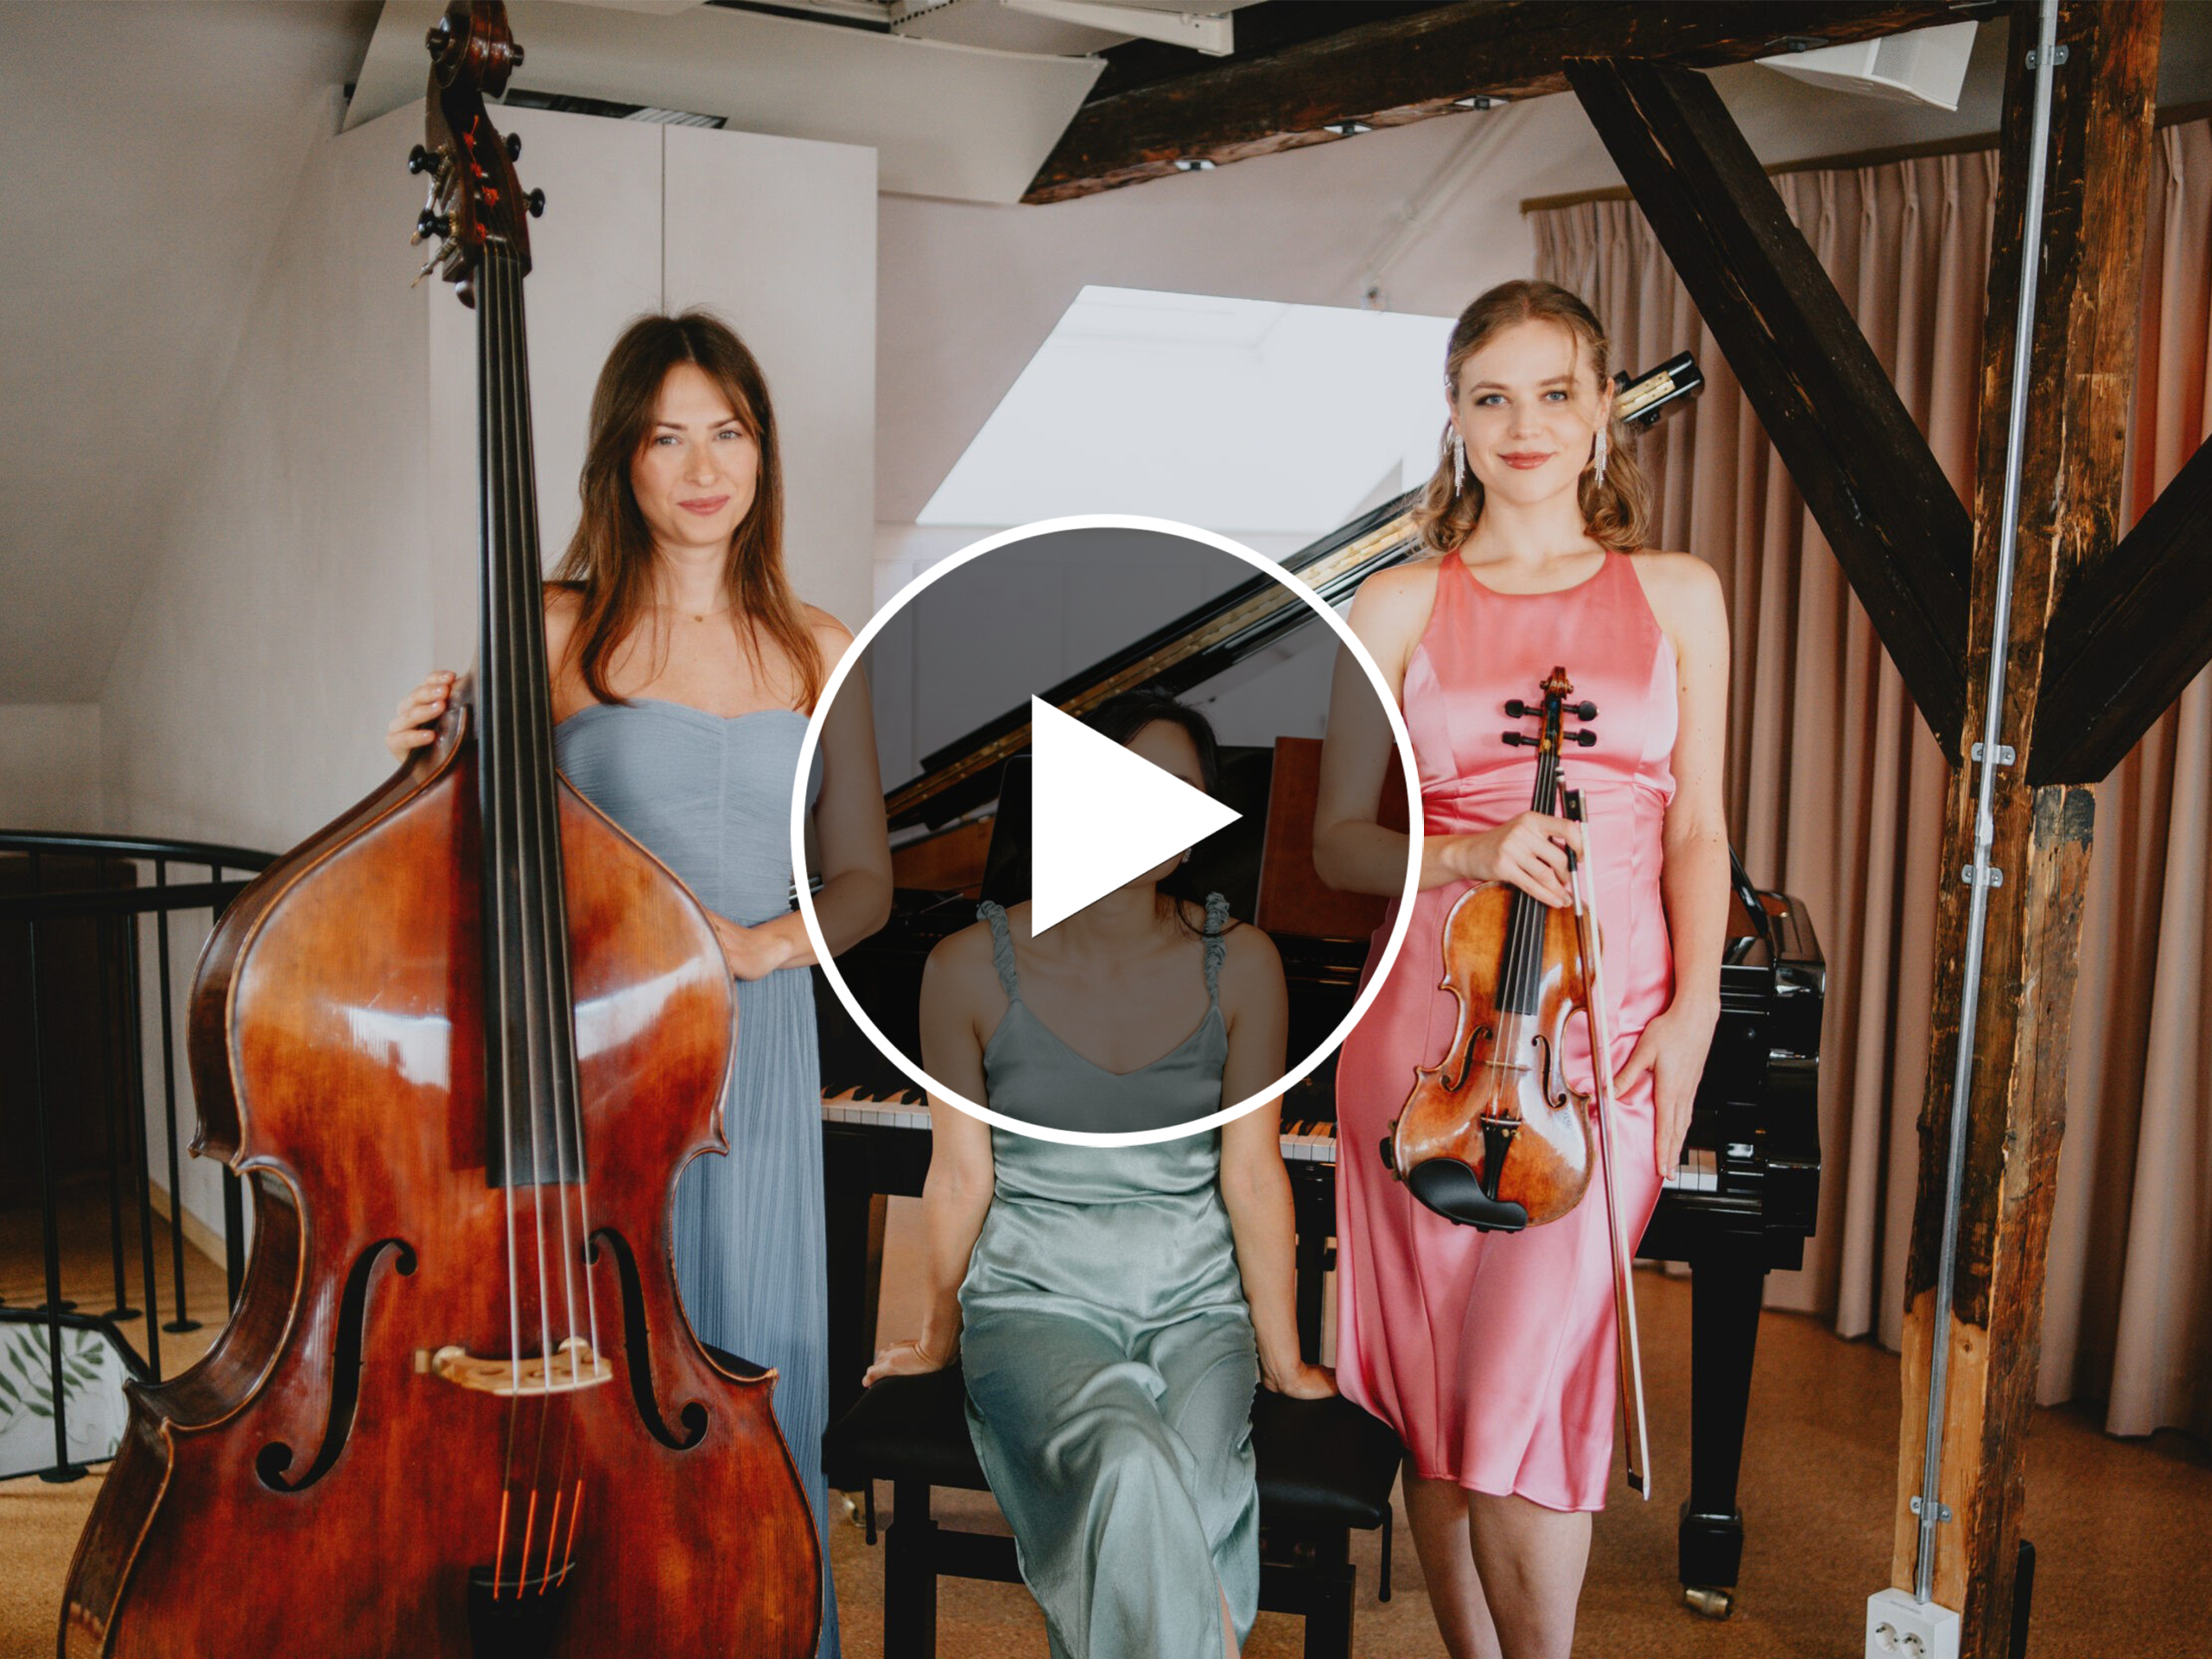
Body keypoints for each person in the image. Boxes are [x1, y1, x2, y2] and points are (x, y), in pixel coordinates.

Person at [385, 309, 892, 1657]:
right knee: (603, 1367)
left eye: (727, 431)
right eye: (667, 437)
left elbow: (864, 883)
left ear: (762, 452)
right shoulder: (552, 629)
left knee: (754, 1348)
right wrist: (420, 764)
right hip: (598, 1049)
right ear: (623, 459)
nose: (701, 465)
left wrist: (761, 946)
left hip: (763, 1047)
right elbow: (461, 860)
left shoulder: (820, 641)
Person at [1313, 279, 1729, 1659]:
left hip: (1601, 1045)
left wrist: (1698, 1015)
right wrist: (1470, 852)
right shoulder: (1397, 602)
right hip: (1432, 1037)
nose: (1525, 423)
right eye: (1492, 396)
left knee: (1510, 1387)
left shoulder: (1680, 595)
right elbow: (1336, 845)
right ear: (1455, 419)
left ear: (1605, 409)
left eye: (1556, 392)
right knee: (1444, 1394)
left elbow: (1700, 827)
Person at [863, 690, 1337, 1659]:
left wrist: (1283, 1359)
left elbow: (1251, 1176)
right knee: (1129, 1468)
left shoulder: (1242, 964)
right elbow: (957, 1178)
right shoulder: (963, 966)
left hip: (1199, 1314)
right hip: (1037, 1304)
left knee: (1193, 1494)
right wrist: (933, 1337)